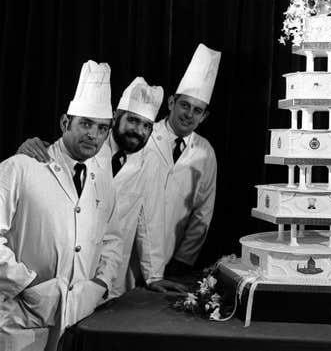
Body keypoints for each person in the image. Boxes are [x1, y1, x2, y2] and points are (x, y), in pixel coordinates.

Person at [18, 77, 188, 295]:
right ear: (116, 117)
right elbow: (54, 162)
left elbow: (150, 221)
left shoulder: (150, 162)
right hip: (60, 269)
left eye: (147, 126)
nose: (139, 131)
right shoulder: (89, 144)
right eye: (133, 121)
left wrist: (154, 276)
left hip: (110, 270)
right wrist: (27, 149)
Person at [0, 61, 122, 351]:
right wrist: (25, 284)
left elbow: (112, 239)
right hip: (22, 315)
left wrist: (101, 282)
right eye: (86, 124)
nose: (93, 135)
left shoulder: (103, 182)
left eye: (102, 128)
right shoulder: (20, 167)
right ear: (65, 123)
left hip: (80, 314)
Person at [146, 43, 220, 277]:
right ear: (171, 103)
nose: (189, 114)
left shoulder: (205, 152)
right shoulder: (145, 137)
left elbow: (202, 212)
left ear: (204, 116)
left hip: (170, 256)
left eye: (197, 110)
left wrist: (183, 259)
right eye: (184, 105)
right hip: (126, 249)